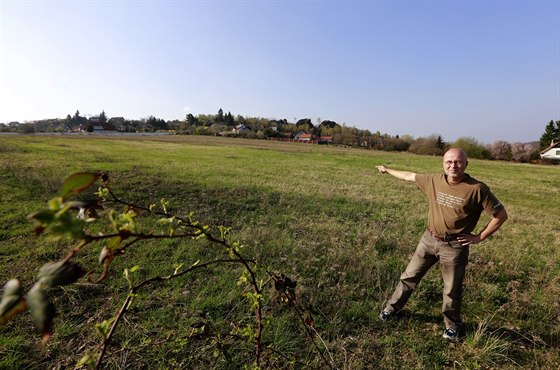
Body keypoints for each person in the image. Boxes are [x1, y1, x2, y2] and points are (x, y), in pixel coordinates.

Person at [376, 148, 508, 342]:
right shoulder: (434, 181)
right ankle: (391, 309)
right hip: (428, 239)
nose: (453, 166)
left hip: (454, 246)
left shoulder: (477, 189)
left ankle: (452, 326)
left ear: (466, 164)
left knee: (451, 289)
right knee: (409, 277)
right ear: (443, 164)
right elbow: (409, 176)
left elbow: (501, 215)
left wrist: (479, 237)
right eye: (449, 162)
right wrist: (387, 169)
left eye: (458, 162)